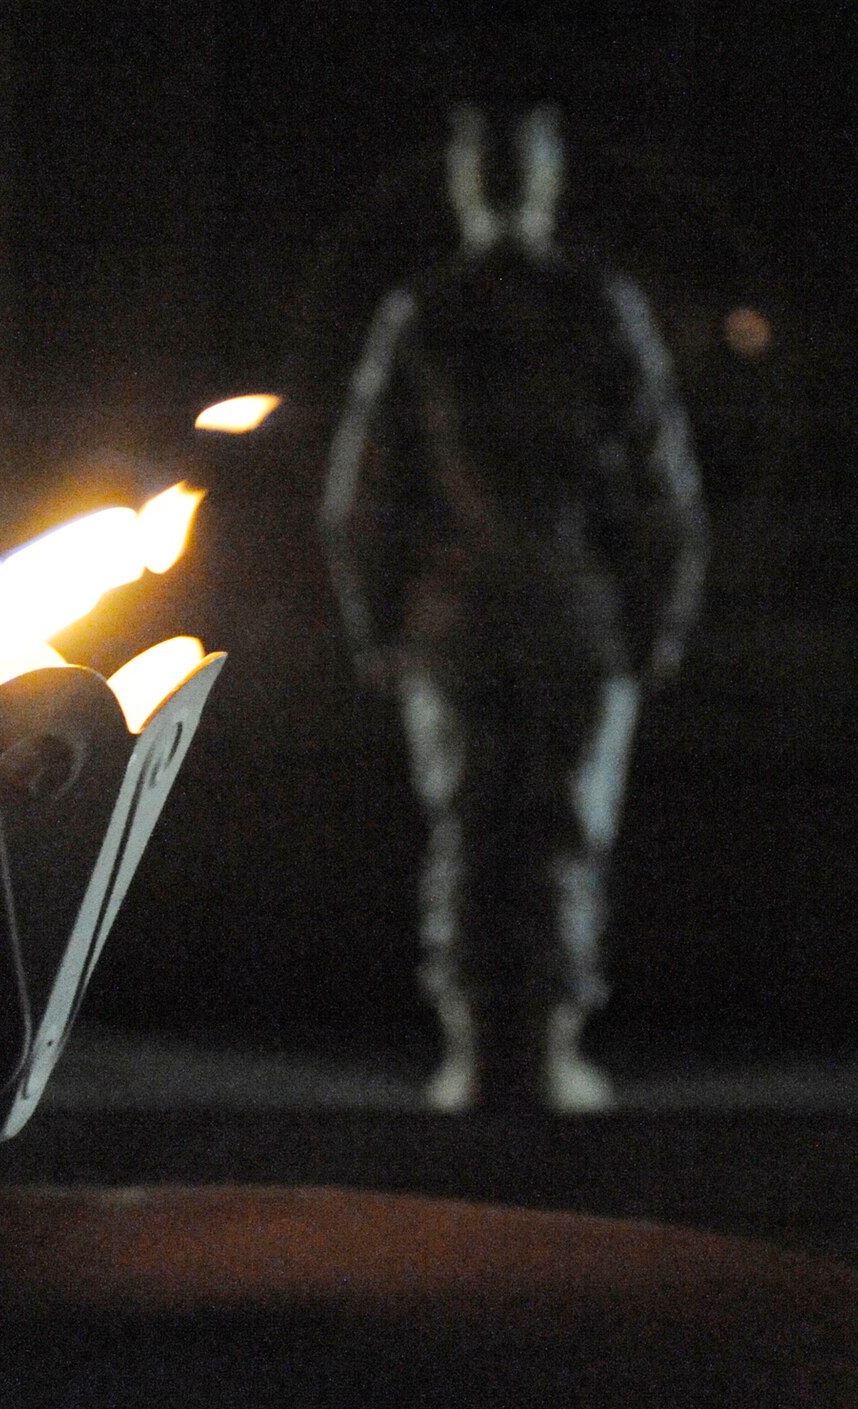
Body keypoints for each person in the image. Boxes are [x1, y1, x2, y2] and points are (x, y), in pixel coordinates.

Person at [320, 104, 708, 1111]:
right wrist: (654, 618)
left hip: (455, 617)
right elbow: (660, 485)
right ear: (544, 183)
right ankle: (540, 1043)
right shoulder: (598, 308)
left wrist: (375, 620)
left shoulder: (424, 312)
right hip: (568, 614)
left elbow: (363, 495)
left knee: (472, 830)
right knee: (558, 831)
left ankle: (480, 1047)